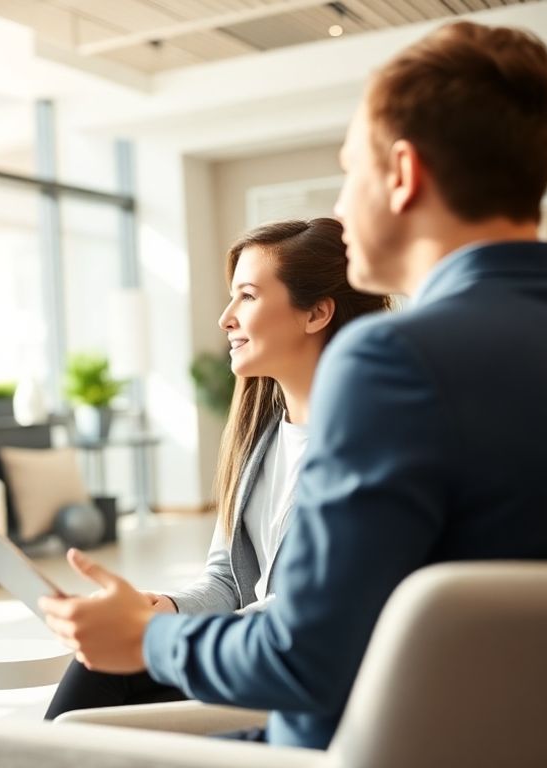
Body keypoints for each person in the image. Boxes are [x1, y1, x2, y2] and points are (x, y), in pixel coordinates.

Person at [39, 19, 547, 750]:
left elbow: (303, 659)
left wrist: (149, 639)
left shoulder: (391, 360)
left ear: (402, 176)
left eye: (349, 170)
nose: (340, 210)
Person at [44, 217, 389, 719]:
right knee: (96, 667)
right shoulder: (260, 438)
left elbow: (307, 612)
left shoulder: (369, 445)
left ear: (316, 312)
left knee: (101, 683)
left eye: (247, 296)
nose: (226, 318)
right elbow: (227, 579)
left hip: (299, 681)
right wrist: (165, 607)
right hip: (244, 649)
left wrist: (156, 636)